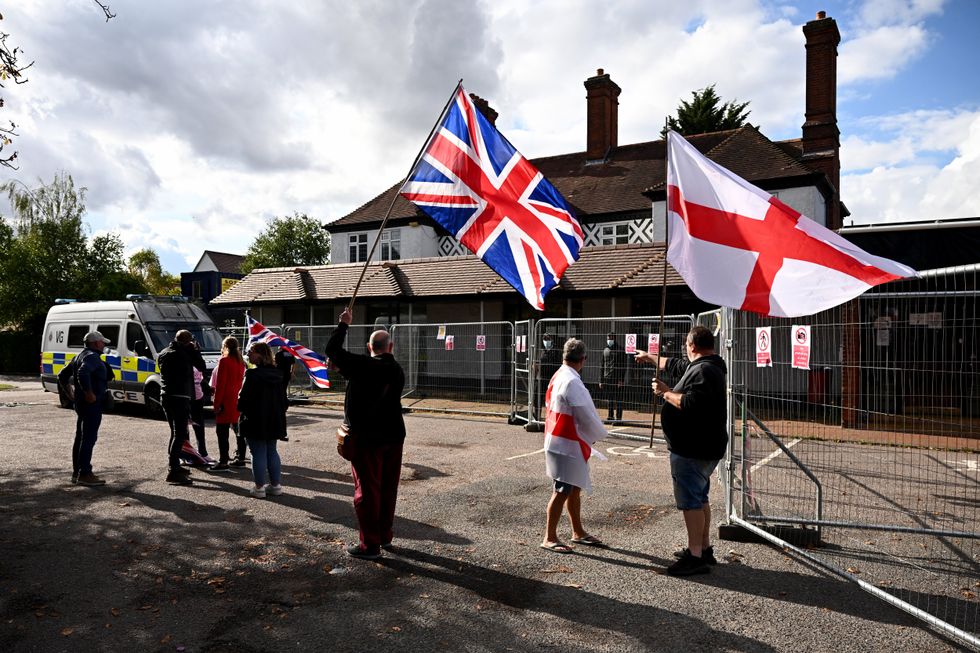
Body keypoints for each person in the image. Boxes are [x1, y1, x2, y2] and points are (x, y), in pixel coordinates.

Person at [639, 325, 727, 576]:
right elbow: (675, 364)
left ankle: (695, 556)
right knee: (700, 498)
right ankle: (704, 547)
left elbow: (690, 404)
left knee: (691, 502)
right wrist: (650, 357)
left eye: (686, 347)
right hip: (701, 447)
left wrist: (666, 393)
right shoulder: (705, 365)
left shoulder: (705, 371)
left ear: (692, 346)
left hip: (693, 448)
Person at [326, 308, 406, 560]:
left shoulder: (364, 366)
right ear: (390, 346)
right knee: (387, 488)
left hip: (368, 438)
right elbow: (365, 378)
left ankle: (369, 544)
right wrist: (343, 369)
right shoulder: (396, 369)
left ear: (369, 347)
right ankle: (384, 535)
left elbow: (332, 350)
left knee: (367, 491)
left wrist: (343, 324)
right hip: (393, 435)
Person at [540, 338, 608, 554]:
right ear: (583, 360)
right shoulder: (573, 381)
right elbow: (586, 414)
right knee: (562, 490)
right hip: (566, 443)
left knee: (573, 488)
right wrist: (597, 433)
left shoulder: (559, 375)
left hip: (561, 439)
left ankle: (577, 531)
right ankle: (549, 537)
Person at [237, 342, 288, 498]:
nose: (249, 354)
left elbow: (242, 399)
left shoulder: (252, 375)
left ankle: (259, 488)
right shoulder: (278, 374)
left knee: (257, 452)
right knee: (271, 451)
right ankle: (276, 485)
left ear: (260, 355)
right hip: (274, 419)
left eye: (251, 351)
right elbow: (284, 400)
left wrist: (242, 408)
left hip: (255, 419)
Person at [158, 329, 207, 485]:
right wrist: (195, 351)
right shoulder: (185, 353)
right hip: (180, 397)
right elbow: (201, 366)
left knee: (175, 433)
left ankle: (175, 466)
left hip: (166, 396)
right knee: (179, 434)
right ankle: (173, 471)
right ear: (188, 341)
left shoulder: (164, 352)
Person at [69, 331, 114, 486]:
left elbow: (62, 375)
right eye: (103, 342)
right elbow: (83, 372)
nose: (104, 345)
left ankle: (77, 472)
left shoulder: (79, 356)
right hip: (91, 405)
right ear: (96, 343)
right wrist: (88, 393)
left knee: (80, 438)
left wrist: (71, 394)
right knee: (88, 438)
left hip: (82, 404)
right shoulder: (91, 357)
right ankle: (85, 473)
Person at [210, 336, 246, 471]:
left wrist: (216, 403)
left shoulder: (224, 361)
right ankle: (241, 457)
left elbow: (221, 385)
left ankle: (223, 461)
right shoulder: (240, 361)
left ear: (225, 347)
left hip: (226, 399)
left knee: (222, 432)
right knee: (238, 431)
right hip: (236, 398)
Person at [599, 332, 628, 423]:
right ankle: (610, 417)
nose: (609, 340)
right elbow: (602, 366)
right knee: (610, 399)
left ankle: (618, 419)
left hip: (617, 379)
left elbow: (624, 366)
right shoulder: (605, 350)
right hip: (607, 378)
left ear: (614, 339)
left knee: (618, 399)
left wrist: (621, 380)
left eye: (610, 338)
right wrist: (601, 380)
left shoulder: (620, 350)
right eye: (608, 338)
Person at [534, 333, 562, 420]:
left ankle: (551, 417)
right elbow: (536, 364)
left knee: (552, 399)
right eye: (544, 339)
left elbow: (559, 365)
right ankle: (537, 416)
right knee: (537, 397)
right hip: (541, 378)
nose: (546, 341)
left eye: (548, 339)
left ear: (552, 340)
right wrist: (535, 375)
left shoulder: (556, 351)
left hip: (552, 379)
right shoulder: (541, 351)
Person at [189, 366, 213, 465]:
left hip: (198, 399)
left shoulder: (196, 361)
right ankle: (186, 455)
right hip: (186, 399)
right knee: (183, 429)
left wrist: (207, 389)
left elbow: (200, 379)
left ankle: (203, 453)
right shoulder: (183, 360)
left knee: (199, 426)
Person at [274, 347, 295, 441]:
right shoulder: (290, 354)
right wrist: (291, 372)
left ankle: (283, 400)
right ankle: (284, 400)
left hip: (279, 374)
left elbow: (275, 364)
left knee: (280, 390)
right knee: (284, 389)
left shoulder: (278, 354)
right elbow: (293, 363)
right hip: (287, 373)